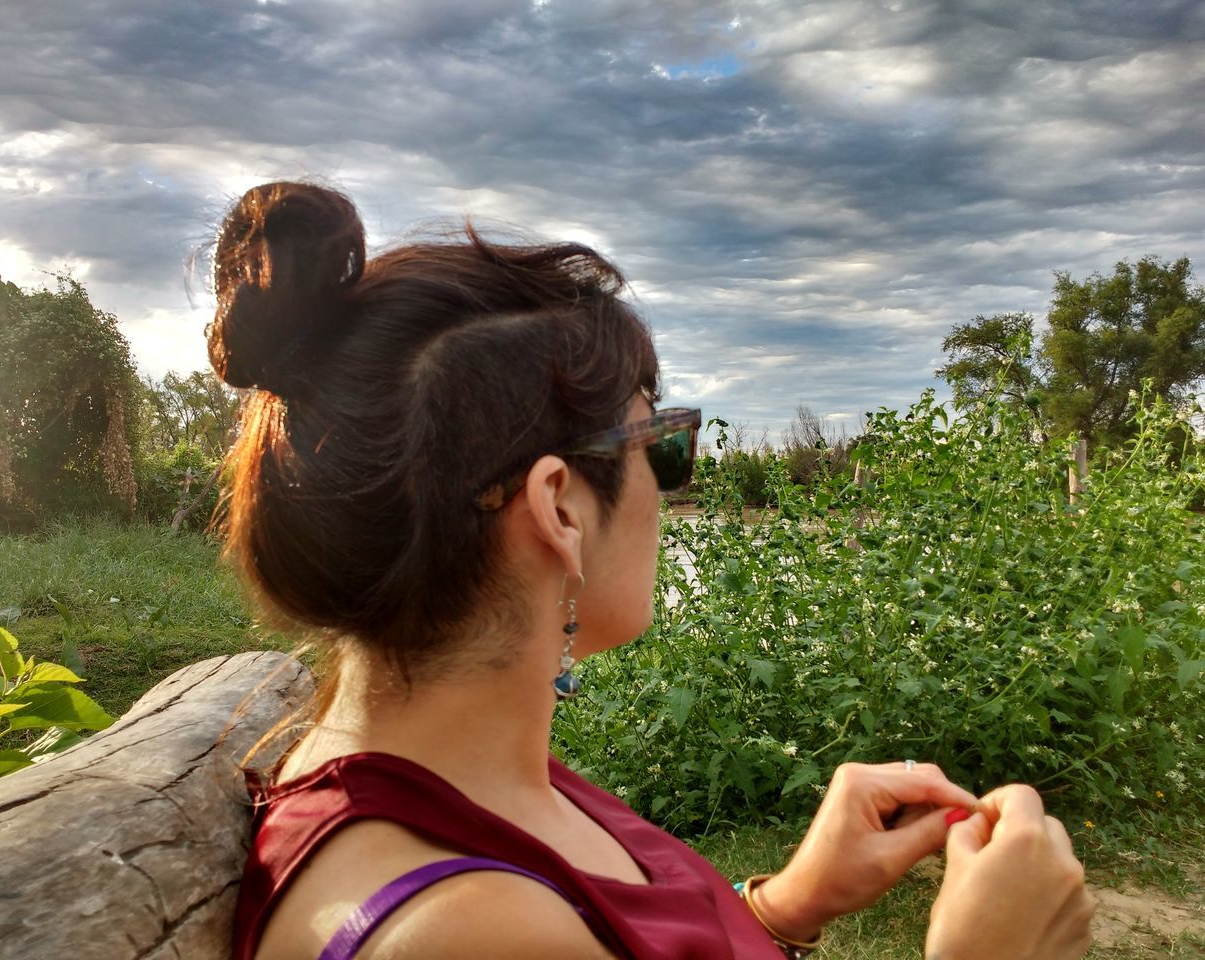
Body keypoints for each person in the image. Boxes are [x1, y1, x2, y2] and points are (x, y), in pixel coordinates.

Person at [212, 181, 1095, 960]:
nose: (672, 489)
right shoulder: (471, 936)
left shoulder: (449, 768)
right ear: (559, 507)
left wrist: (788, 907)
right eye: (663, 447)